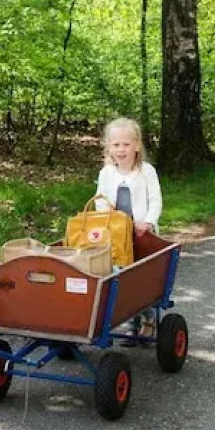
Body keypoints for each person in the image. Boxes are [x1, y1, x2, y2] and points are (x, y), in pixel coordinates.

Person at [95, 118, 162, 338]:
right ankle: (130, 320)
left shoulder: (146, 171)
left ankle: (148, 316)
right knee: (119, 274)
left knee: (138, 278)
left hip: (142, 233)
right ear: (108, 147)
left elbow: (155, 200)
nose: (121, 150)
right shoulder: (107, 173)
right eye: (116, 145)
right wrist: (107, 218)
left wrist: (148, 222)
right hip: (116, 234)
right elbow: (101, 200)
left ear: (136, 145)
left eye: (126, 144)